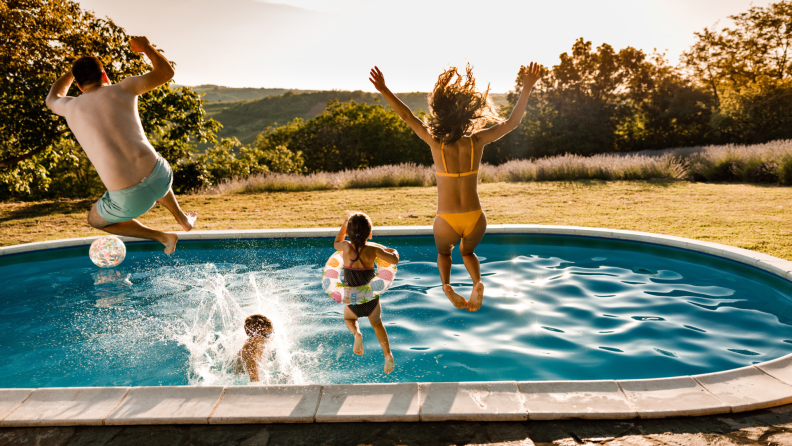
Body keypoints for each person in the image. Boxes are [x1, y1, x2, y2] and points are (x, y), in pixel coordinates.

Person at [369, 62, 542, 312]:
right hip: (475, 218)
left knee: (445, 253)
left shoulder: (435, 142)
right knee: (468, 252)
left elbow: (408, 116)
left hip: (446, 219)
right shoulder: (476, 142)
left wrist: (384, 89)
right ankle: (477, 283)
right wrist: (526, 88)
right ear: (467, 116)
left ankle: (447, 285)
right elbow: (512, 123)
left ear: (441, 114)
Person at [45, 36, 197, 255]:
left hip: (130, 200)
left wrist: (71, 71)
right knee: (150, 166)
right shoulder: (125, 88)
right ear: (104, 75)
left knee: (95, 219)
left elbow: (53, 97)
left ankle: (163, 237)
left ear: (78, 85)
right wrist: (146, 48)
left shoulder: (70, 106)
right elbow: (167, 73)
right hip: (162, 176)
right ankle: (182, 218)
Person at [334, 212, 400, 374]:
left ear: (348, 233)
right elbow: (394, 261)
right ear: (370, 234)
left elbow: (337, 242)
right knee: (377, 324)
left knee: (349, 318)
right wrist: (394, 252)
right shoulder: (373, 250)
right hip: (371, 300)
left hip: (352, 299)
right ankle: (387, 354)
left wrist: (344, 224)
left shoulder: (345, 247)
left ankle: (357, 334)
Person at [236, 314, 274, 382]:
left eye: (272, 332)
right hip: (235, 377)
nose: (272, 337)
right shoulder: (250, 352)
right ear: (255, 336)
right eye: (268, 335)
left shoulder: (258, 342)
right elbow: (254, 381)